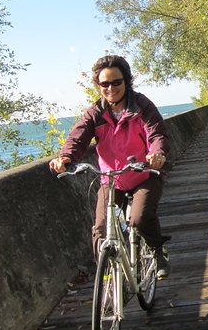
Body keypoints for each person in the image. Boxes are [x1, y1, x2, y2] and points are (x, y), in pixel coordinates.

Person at [49, 55, 171, 279]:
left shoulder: (141, 106)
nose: (111, 88)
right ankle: (105, 275)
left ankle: (156, 250)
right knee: (100, 229)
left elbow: (157, 133)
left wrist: (157, 153)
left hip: (144, 174)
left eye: (116, 82)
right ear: (98, 85)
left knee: (139, 219)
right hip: (111, 179)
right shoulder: (95, 112)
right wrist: (65, 157)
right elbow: (78, 137)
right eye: (105, 83)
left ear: (126, 81)